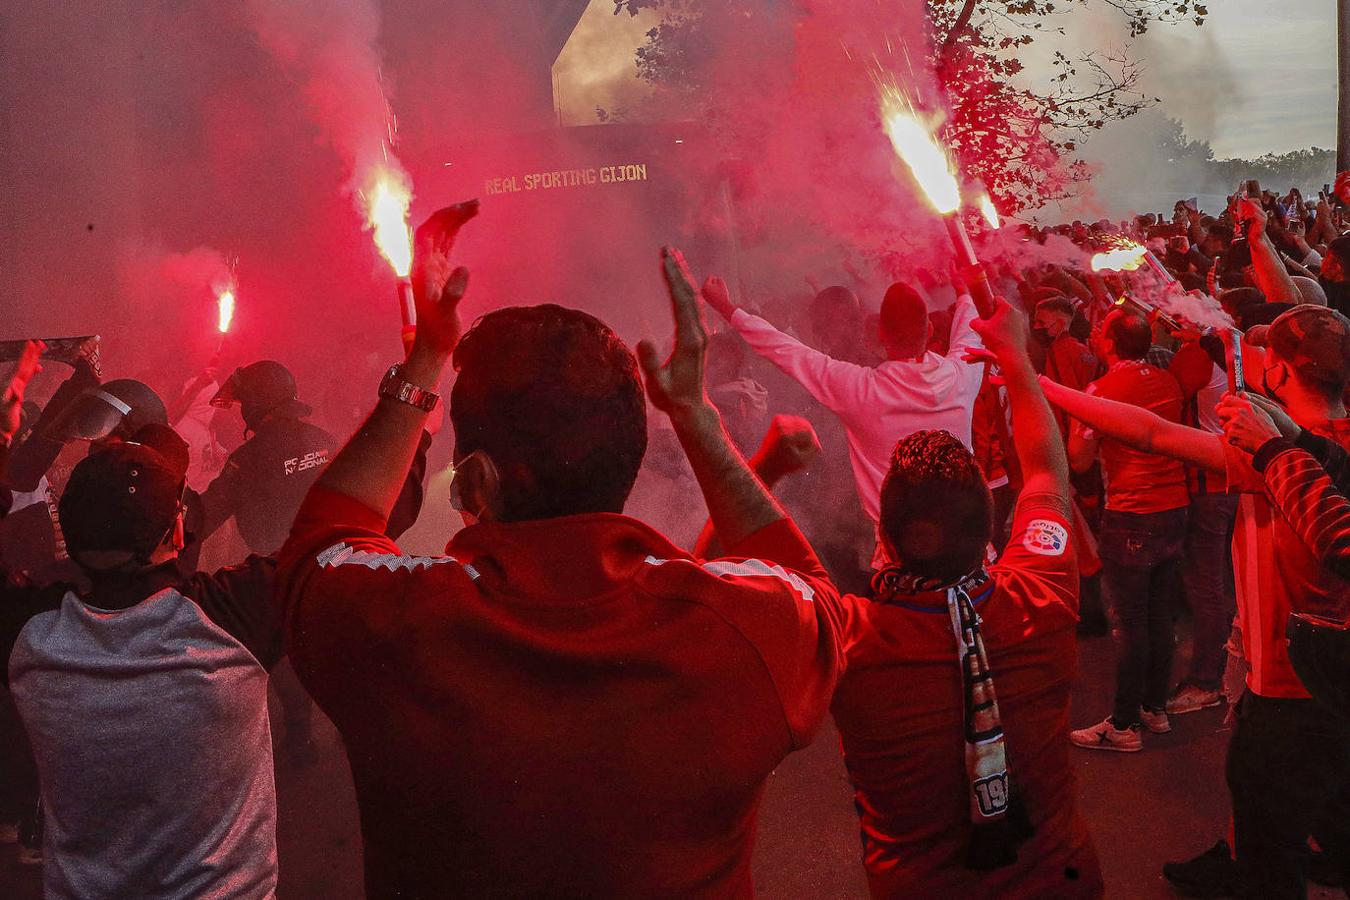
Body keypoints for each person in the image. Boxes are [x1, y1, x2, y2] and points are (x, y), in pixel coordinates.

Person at [274, 205, 863, 898]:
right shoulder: (743, 628)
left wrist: (424, 359)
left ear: (477, 481)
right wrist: (697, 417)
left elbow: (323, 536)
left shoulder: (394, 622)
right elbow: (808, 586)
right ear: (633, 453)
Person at [1038, 305, 1350, 897]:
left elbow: (1150, 433)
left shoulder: (1270, 458)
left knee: (1269, 849)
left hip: (1287, 688)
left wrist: (1043, 386)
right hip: (1332, 683)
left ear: (1282, 375)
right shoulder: (1327, 440)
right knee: (1323, 808)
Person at [826, 298, 1103, 897]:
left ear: (883, 537)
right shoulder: (1041, 591)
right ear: (990, 536)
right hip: (1064, 882)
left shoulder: (846, 642)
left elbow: (764, 541)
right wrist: (1017, 360)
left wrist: (702, 421)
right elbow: (1048, 474)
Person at [0, 424, 283, 899]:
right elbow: (347, 522)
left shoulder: (23, 631)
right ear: (175, 527)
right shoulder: (230, 618)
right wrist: (412, 395)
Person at [701, 275, 983, 563]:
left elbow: (786, 351)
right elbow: (970, 333)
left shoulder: (862, 390)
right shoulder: (962, 377)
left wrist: (726, 307)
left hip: (900, 565)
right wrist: (964, 292)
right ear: (931, 329)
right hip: (967, 553)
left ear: (881, 334)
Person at [1067, 309, 1190, 751]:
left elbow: (1079, 459)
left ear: (1110, 343)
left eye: (1102, 328)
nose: (1095, 332)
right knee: (1160, 617)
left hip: (1132, 514)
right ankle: (1154, 709)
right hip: (1174, 509)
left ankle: (1122, 727)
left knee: (1131, 623)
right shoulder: (1168, 380)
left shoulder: (1102, 390)